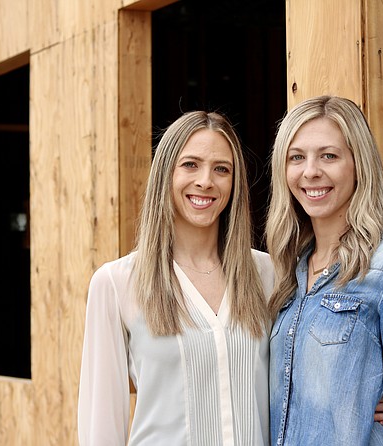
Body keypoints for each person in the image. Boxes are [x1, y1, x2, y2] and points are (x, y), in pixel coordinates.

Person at [77, 111, 274, 445]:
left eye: (221, 169)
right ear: (166, 173)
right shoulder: (117, 283)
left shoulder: (267, 274)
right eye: (190, 165)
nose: (206, 181)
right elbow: (101, 425)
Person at [266, 95, 383, 445]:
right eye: (297, 157)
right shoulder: (287, 273)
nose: (311, 171)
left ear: (358, 163)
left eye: (328, 156)